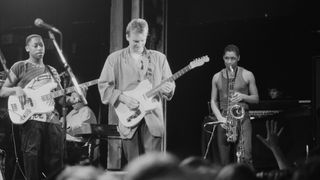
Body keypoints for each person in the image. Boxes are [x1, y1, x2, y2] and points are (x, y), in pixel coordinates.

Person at [98, 18, 175, 163]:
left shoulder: (159, 58)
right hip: (129, 119)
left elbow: (169, 86)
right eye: (135, 41)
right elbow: (104, 87)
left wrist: (169, 88)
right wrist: (123, 98)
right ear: (127, 36)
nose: (139, 44)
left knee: (154, 169)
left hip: (153, 119)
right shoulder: (114, 59)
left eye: (142, 40)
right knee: (134, 169)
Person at [0, 34, 64, 180]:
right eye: (35, 45)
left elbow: (60, 99)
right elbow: (2, 91)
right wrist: (16, 89)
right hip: (31, 121)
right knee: (32, 163)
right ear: (27, 48)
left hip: (52, 121)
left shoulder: (52, 70)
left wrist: (71, 99)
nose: (39, 48)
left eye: (41, 45)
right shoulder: (20, 66)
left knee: (56, 165)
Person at [210, 44, 259, 166]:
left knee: (246, 158)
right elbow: (213, 101)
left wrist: (243, 96)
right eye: (227, 58)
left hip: (242, 119)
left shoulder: (247, 74)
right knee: (223, 162)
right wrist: (220, 118)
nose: (229, 62)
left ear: (238, 58)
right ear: (223, 58)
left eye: (233, 58)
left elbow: (256, 99)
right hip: (224, 120)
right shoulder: (216, 77)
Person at [63, 90, 98, 165]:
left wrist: (65, 126)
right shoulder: (71, 112)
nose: (72, 102)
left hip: (79, 146)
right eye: (71, 100)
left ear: (82, 99)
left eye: (75, 99)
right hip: (67, 144)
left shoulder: (86, 111)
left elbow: (79, 129)